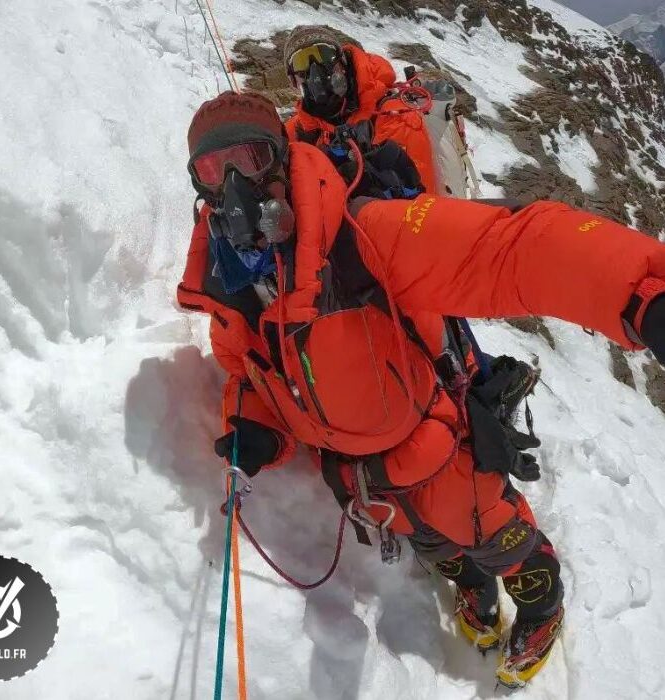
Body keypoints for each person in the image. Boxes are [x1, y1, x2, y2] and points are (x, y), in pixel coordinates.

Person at [177, 91, 665, 689]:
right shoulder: (227, 288)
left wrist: (640, 296)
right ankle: (475, 594)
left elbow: (510, 248)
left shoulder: (363, 233)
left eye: (248, 160)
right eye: (211, 170)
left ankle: (542, 607)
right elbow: (249, 372)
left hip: (437, 451)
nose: (233, 187)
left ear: (279, 160)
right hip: (362, 479)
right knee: (441, 550)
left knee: (503, 541)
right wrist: (254, 425)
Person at [283, 25, 437, 195]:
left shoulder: (396, 119)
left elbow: (423, 206)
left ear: (342, 62)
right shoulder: (300, 130)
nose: (315, 72)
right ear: (293, 81)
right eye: (301, 63)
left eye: (324, 55)